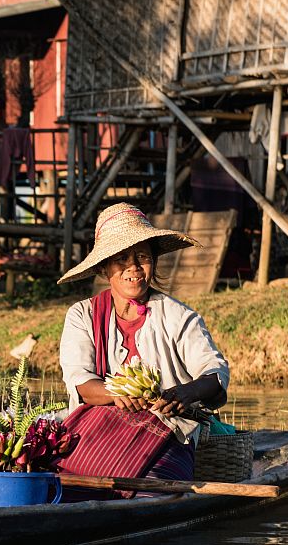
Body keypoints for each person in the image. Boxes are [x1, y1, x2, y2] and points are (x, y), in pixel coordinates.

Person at [55, 202, 229, 494]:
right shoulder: (82, 315)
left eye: (142, 257)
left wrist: (186, 393)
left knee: (151, 489)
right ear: (104, 266)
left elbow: (214, 372)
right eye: (121, 258)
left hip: (166, 434)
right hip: (95, 434)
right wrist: (118, 394)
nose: (133, 268)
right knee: (60, 477)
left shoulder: (178, 317)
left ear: (154, 262)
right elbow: (81, 381)